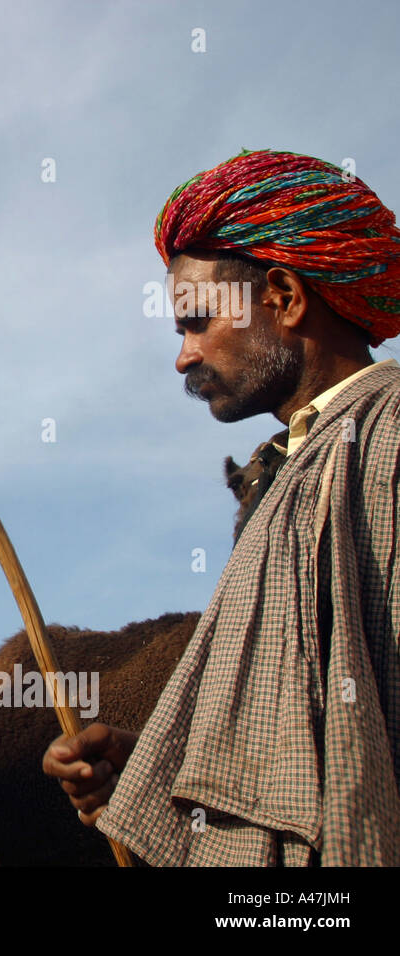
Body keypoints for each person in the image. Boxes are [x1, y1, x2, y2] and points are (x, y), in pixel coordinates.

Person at [43, 149, 400, 865]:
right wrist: (151, 772)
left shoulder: (385, 439)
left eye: (196, 322)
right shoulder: (291, 472)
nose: (183, 356)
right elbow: (313, 748)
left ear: (284, 297)